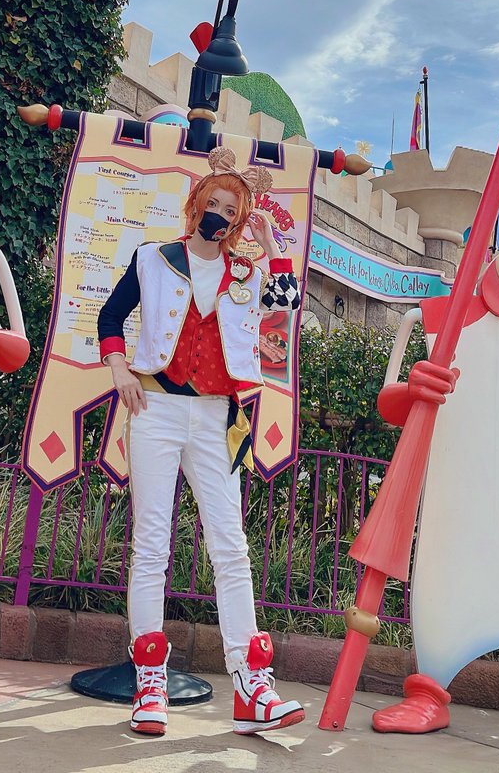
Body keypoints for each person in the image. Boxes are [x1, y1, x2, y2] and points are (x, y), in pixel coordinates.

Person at [98, 146, 305, 737]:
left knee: (230, 545)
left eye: (231, 210)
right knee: (151, 543)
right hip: (157, 408)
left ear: (240, 221)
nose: (219, 215)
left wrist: (270, 242)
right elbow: (110, 319)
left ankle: (251, 685)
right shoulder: (153, 258)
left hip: (219, 416)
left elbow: (286, 306)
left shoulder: (247, 272)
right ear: (194, 206)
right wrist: (119, 369)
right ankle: (150, 683)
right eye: (212, 203)